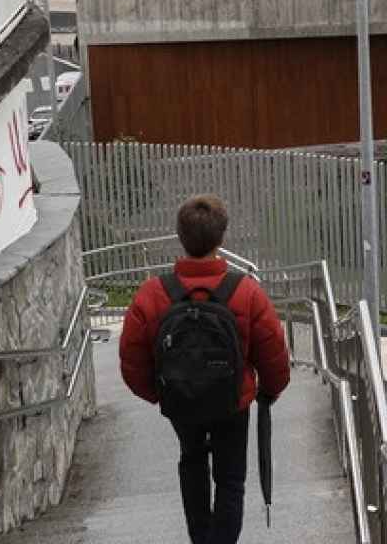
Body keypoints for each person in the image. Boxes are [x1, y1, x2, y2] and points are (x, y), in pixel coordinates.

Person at [121, 196, 291, 544]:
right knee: (230, 479)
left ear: (180, 237)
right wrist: (270, 389)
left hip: (181, 402)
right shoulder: (246, 292)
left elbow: (132, 361)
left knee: (192, 463)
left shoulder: (153, 294)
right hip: (233, 402)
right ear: (221, 239)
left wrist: (161, 393)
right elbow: (273, 351)